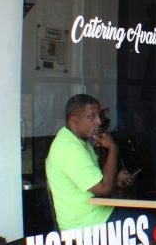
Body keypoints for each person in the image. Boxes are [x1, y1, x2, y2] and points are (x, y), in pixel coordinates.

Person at [46, 94, 136, 231]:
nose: (99, 121)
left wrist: (116, 181)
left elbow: (97, 182)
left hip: (97, 215)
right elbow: (103, 189)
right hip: (85, 226)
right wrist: (113, 148)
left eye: (99, 115)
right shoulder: (68, 148)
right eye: (92, 116)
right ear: (75, 120)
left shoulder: (81, 141)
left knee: (153, 226)